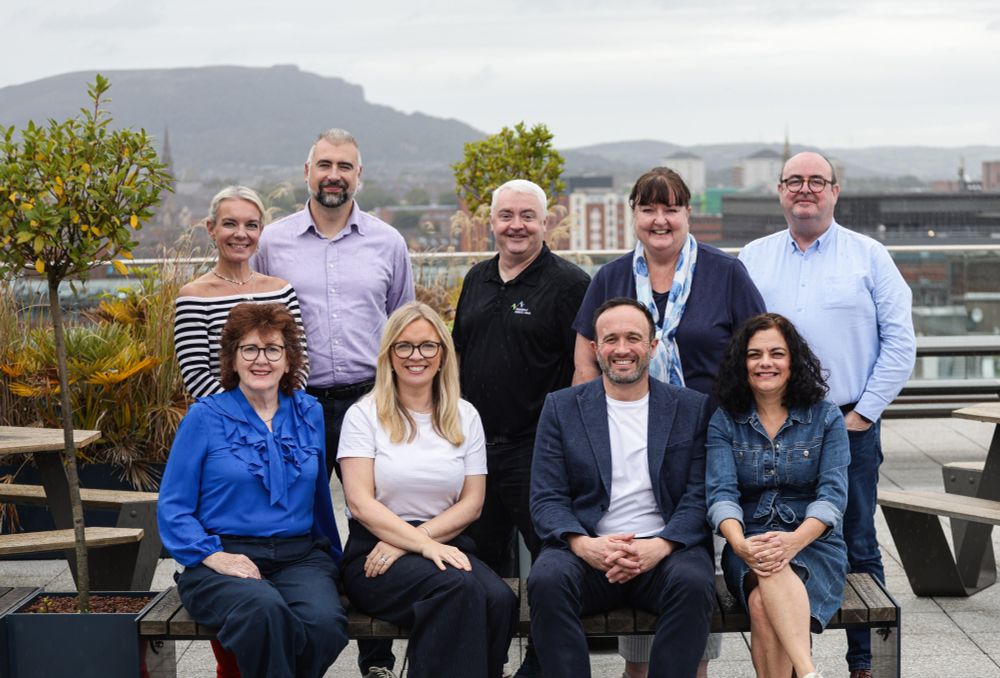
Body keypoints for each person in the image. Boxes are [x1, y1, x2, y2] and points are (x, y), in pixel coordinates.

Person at [571, 166, 765, 677]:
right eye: (648, 208)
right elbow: (585, 364)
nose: (660, 219)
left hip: (707, 445)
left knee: (687, 573)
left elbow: (757, 356)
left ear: (688, 214)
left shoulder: (727, 273)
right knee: (637, 550)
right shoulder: (610, 278)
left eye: (671, 208)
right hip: (628, 443)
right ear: (633, 214)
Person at [739, 151, 916, 678]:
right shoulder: (753, 257)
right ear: (779, 191)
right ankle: (795, 650)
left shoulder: (869, 256)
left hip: (847, 422)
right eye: (795, 181)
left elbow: (900, 342)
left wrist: (864, 413)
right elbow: (738, 340)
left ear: (835, 192)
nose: (805, 190)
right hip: (769, 425)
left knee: (858, 539)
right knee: (774, 535)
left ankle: (864, 663)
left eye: (817, 181)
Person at [253, 128, 413, 675]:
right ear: (306, 171)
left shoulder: (388, 242)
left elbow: (401, 327)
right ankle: (299, 635)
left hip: (370, 402)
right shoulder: (272, 242)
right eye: (325, 164)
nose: (334, 175)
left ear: (359, 175)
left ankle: (377, 658)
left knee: (376, 520)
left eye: (345, 166)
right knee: (298, 516)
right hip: (296, 403)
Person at [528, 298, 715, 678]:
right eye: (611, 339)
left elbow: (700, 494)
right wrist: (585, 545)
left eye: (634, 338)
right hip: (588, 550)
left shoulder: (690, 407)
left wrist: (660, 546)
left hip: (664, 550)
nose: (623, 349)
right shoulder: (562, 407)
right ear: (595, 349)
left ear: (653, 346)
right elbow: (547, 496)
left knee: (695, 582)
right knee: (546, 580)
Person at [158, 303, 346, 678]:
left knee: (324, 622)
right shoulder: (204, 416)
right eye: (250, 349)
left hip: (299, 556)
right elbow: (173, 506)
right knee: (264, 611)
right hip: (224, 555)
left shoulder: (309, 413)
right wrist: (211, 555)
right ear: (232, 359)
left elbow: (321, 502)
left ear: (289, 360)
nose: (262, 360)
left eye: (273, 349)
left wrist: (335, 564)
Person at [452, 178, 589, 676]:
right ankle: (484, 663)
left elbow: (582, 371)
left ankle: (539, 666)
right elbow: (460, 355)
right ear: (490, 221)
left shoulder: (570, 284)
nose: (517, 225)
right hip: (474, 452)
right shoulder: (476, 278)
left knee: (553, 563)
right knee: (479, 564)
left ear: (546, 221)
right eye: (506, 215)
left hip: (538, 451)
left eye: (527, 216)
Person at [338, 301, 518, 678]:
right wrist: (415, 543)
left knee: (500, 599)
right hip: (374, 555)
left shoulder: (464, 415)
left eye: (427, 346)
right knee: (459, 592)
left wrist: (415, 540)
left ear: (443, 354)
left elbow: (472, 504)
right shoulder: (363, 414)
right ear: (389, 355)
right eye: (404, 346)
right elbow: (359, 501)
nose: (415, 356)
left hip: (441, 544)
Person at [707, 313, 849, 678]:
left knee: (760, 603)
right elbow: (721, 492)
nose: (765, 363)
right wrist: (739, 544)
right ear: (743, 363)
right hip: (748, 541)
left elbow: (832, 495)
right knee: (767, 571)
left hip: (814, 542)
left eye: (776, 353)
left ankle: (805, 672)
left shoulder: (826, 417)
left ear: (793, 361)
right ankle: (808, 672)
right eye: (754, 355)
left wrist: (793, 542)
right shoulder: (725, 420)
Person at [174, 185, 307, 399]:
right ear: (211, 228)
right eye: (230, 224)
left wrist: (278, 410)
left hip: (281, 420)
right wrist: (247, 416)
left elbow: (299, 362)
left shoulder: (282, 291)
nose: (241, 234)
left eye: (251, 225)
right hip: (224, 423)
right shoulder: (194, 297)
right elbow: (196, 375)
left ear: (260, 231)